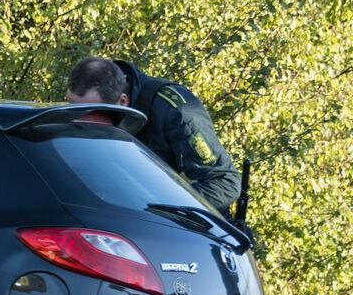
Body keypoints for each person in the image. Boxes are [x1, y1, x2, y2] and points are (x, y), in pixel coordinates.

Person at [64, 56, 241, 213]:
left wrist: (167, 211)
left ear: (122, 102)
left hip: (178, 230)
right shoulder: (88, 103)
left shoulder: (178, 112)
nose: (79, 119)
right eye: (72, 107)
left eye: (93, 112)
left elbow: (224, 181)